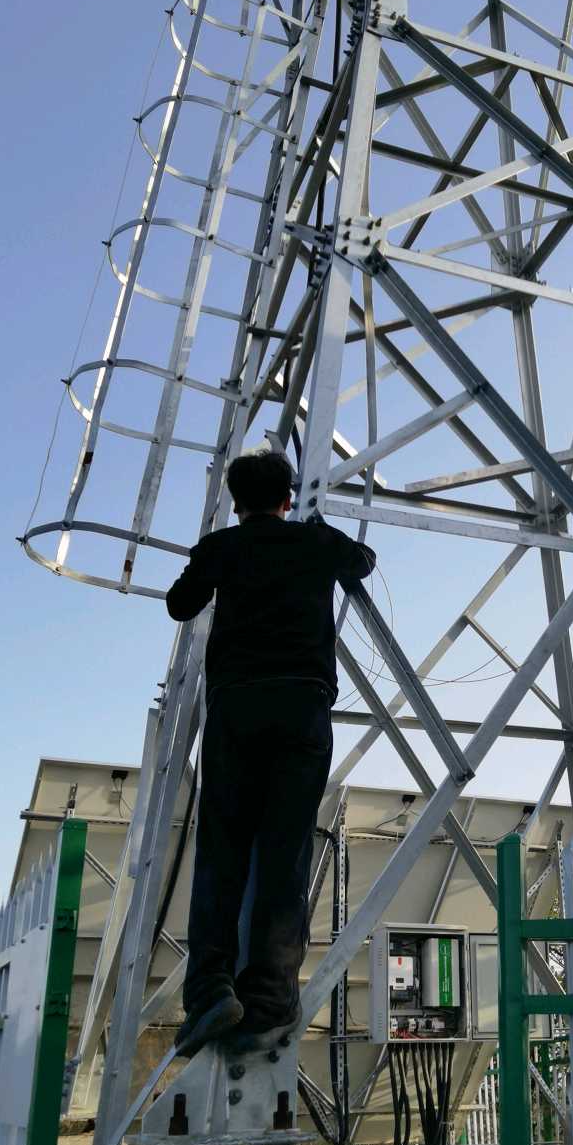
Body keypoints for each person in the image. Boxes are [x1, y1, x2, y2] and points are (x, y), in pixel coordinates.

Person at [165, 449, 376, 1055]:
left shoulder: (221, 547)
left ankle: (210, 990)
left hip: (236, 707)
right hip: (303, 707)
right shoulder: (316, 542)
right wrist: (322, 537)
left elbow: (180, 604)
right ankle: (269, 996)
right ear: (288, 498)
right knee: (285, 851)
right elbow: (362, 562)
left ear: (236, 502)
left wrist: (215, 562)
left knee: (222, 849)